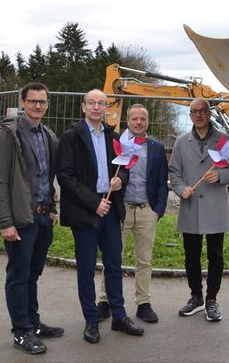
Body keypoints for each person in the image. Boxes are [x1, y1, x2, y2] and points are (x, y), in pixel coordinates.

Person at [57, 89, 144, 343]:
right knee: (86, 269)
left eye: (101, 103)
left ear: (106, 108)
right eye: (92, 103)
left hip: (111, 211)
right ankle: (91, 321)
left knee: (114, 266)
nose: (97, 107)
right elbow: (65, 176)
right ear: (83, 107)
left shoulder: (112, 137)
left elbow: (125, 166)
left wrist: (120, 180)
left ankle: (119, 316)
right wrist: (94, 203)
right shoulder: (71, 137)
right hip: (86, 211)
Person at [0, 82, 63, 355]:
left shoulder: (47, 135)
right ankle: (21, 332)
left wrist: (52, 208)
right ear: (23, 102)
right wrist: (5, 222)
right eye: (32, 101)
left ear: (47, 104)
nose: (37, 106)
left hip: (43, 217)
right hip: (21, 219)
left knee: (33, 274)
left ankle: (33, 323)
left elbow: (47, 177)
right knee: (18, 277)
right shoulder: (8, 135)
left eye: (42, 101)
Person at [170, 98, 229, 322]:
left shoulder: (225, 141)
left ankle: (212, 300)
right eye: (194, 112)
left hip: (215, 208)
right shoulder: (181, 142)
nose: (198, 115)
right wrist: (181, 189)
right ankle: (196, 297)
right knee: (191, 255)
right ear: (190, 115)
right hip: (190, 206)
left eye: (202, 111)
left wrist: (220, 176)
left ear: (209, 114)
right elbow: (174, 173)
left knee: (215, 255)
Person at [97, 104, 169, 324]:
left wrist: (158, 210)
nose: (139, 122)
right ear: (127, 120)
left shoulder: (156, 147)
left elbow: (162, 181)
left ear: (148, 121)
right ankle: (105, 301)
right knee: (112, 257)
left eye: (143, 119)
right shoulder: (115, 144)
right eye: (135, 118)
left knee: (144, 260)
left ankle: (143, 303)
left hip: (147, 210)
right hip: (121, 210)